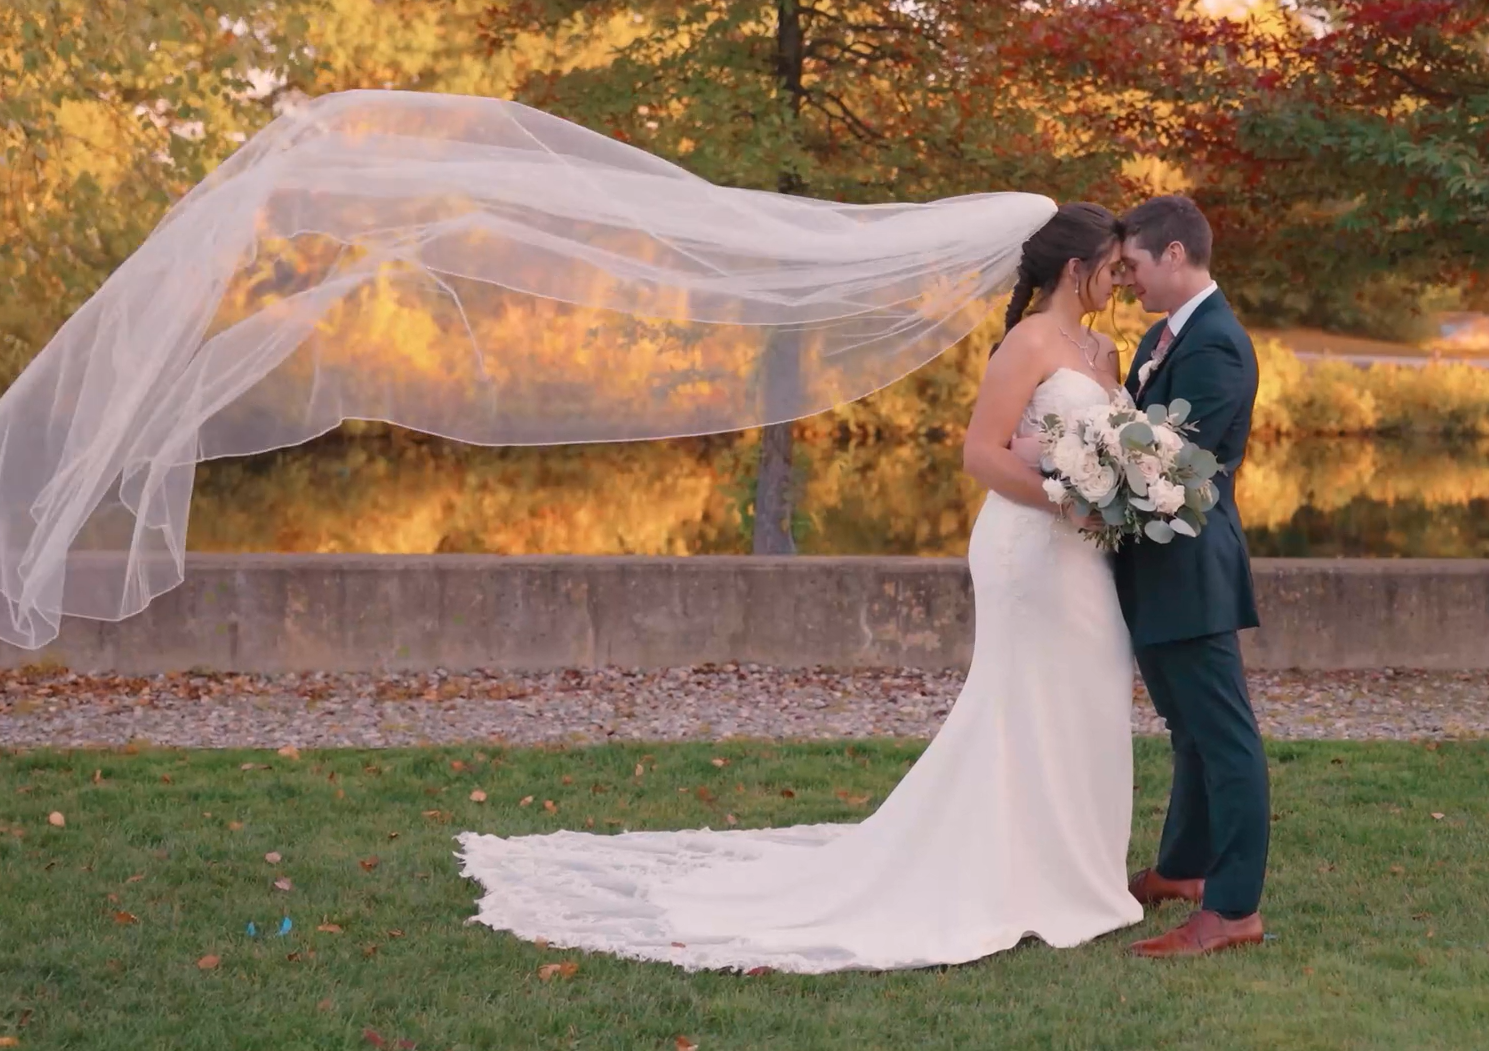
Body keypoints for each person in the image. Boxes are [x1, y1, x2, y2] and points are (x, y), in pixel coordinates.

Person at [455, 202, 1147, 973]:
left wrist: (1111, 491)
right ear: (1075, 269)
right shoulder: (1027, 343)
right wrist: (1064, 495)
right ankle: (1011, 876)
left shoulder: (1103, 351)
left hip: (1087, 554)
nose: (1123, 279)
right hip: (1029, 550)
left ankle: (1077, 873)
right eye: (1114, 267)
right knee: (1020, 702)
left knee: (1088, 688)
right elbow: (982, 454)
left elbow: (1101, 447)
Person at [1111, 194, 1270, 959]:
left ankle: (1233, 907)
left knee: (1225, 738)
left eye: (1134, 264)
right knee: (1190, 731)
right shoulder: (1165, 335)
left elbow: (1172, 468)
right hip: (1158, 569)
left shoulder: (1216, 346)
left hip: (1191, 568)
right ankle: (1182, 869)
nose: (1127, 279)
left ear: (1174, 255)